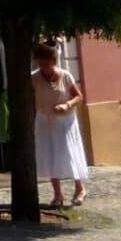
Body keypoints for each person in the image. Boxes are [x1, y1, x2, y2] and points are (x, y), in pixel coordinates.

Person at [32, 41, 88, 208]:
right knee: (50, 154)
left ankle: (80, 188)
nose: (44, 67)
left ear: (54, 61)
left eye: (47, 63)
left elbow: (79, 96)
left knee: (70, 152)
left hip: (65, 121)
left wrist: (67, 105)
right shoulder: (33, 78)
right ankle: (57, 194)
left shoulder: (65, 76)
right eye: (41, 63)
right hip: (44, 120)